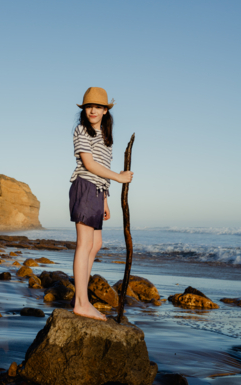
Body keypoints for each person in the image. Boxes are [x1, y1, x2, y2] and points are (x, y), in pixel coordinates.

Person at [69, 87, 134, 321]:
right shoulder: (81, 131)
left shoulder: (106, 139)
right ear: (84, 110)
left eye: (98, 106)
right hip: (84, 186)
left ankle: (81, 297)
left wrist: (105, 199)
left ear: (106, 110)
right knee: (84, 244)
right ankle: (81, 303)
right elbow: (88, 164)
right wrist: (119, 177)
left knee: (96, 244)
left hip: (97, 191)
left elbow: (101, 173)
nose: (93, 110)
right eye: (89, 106)